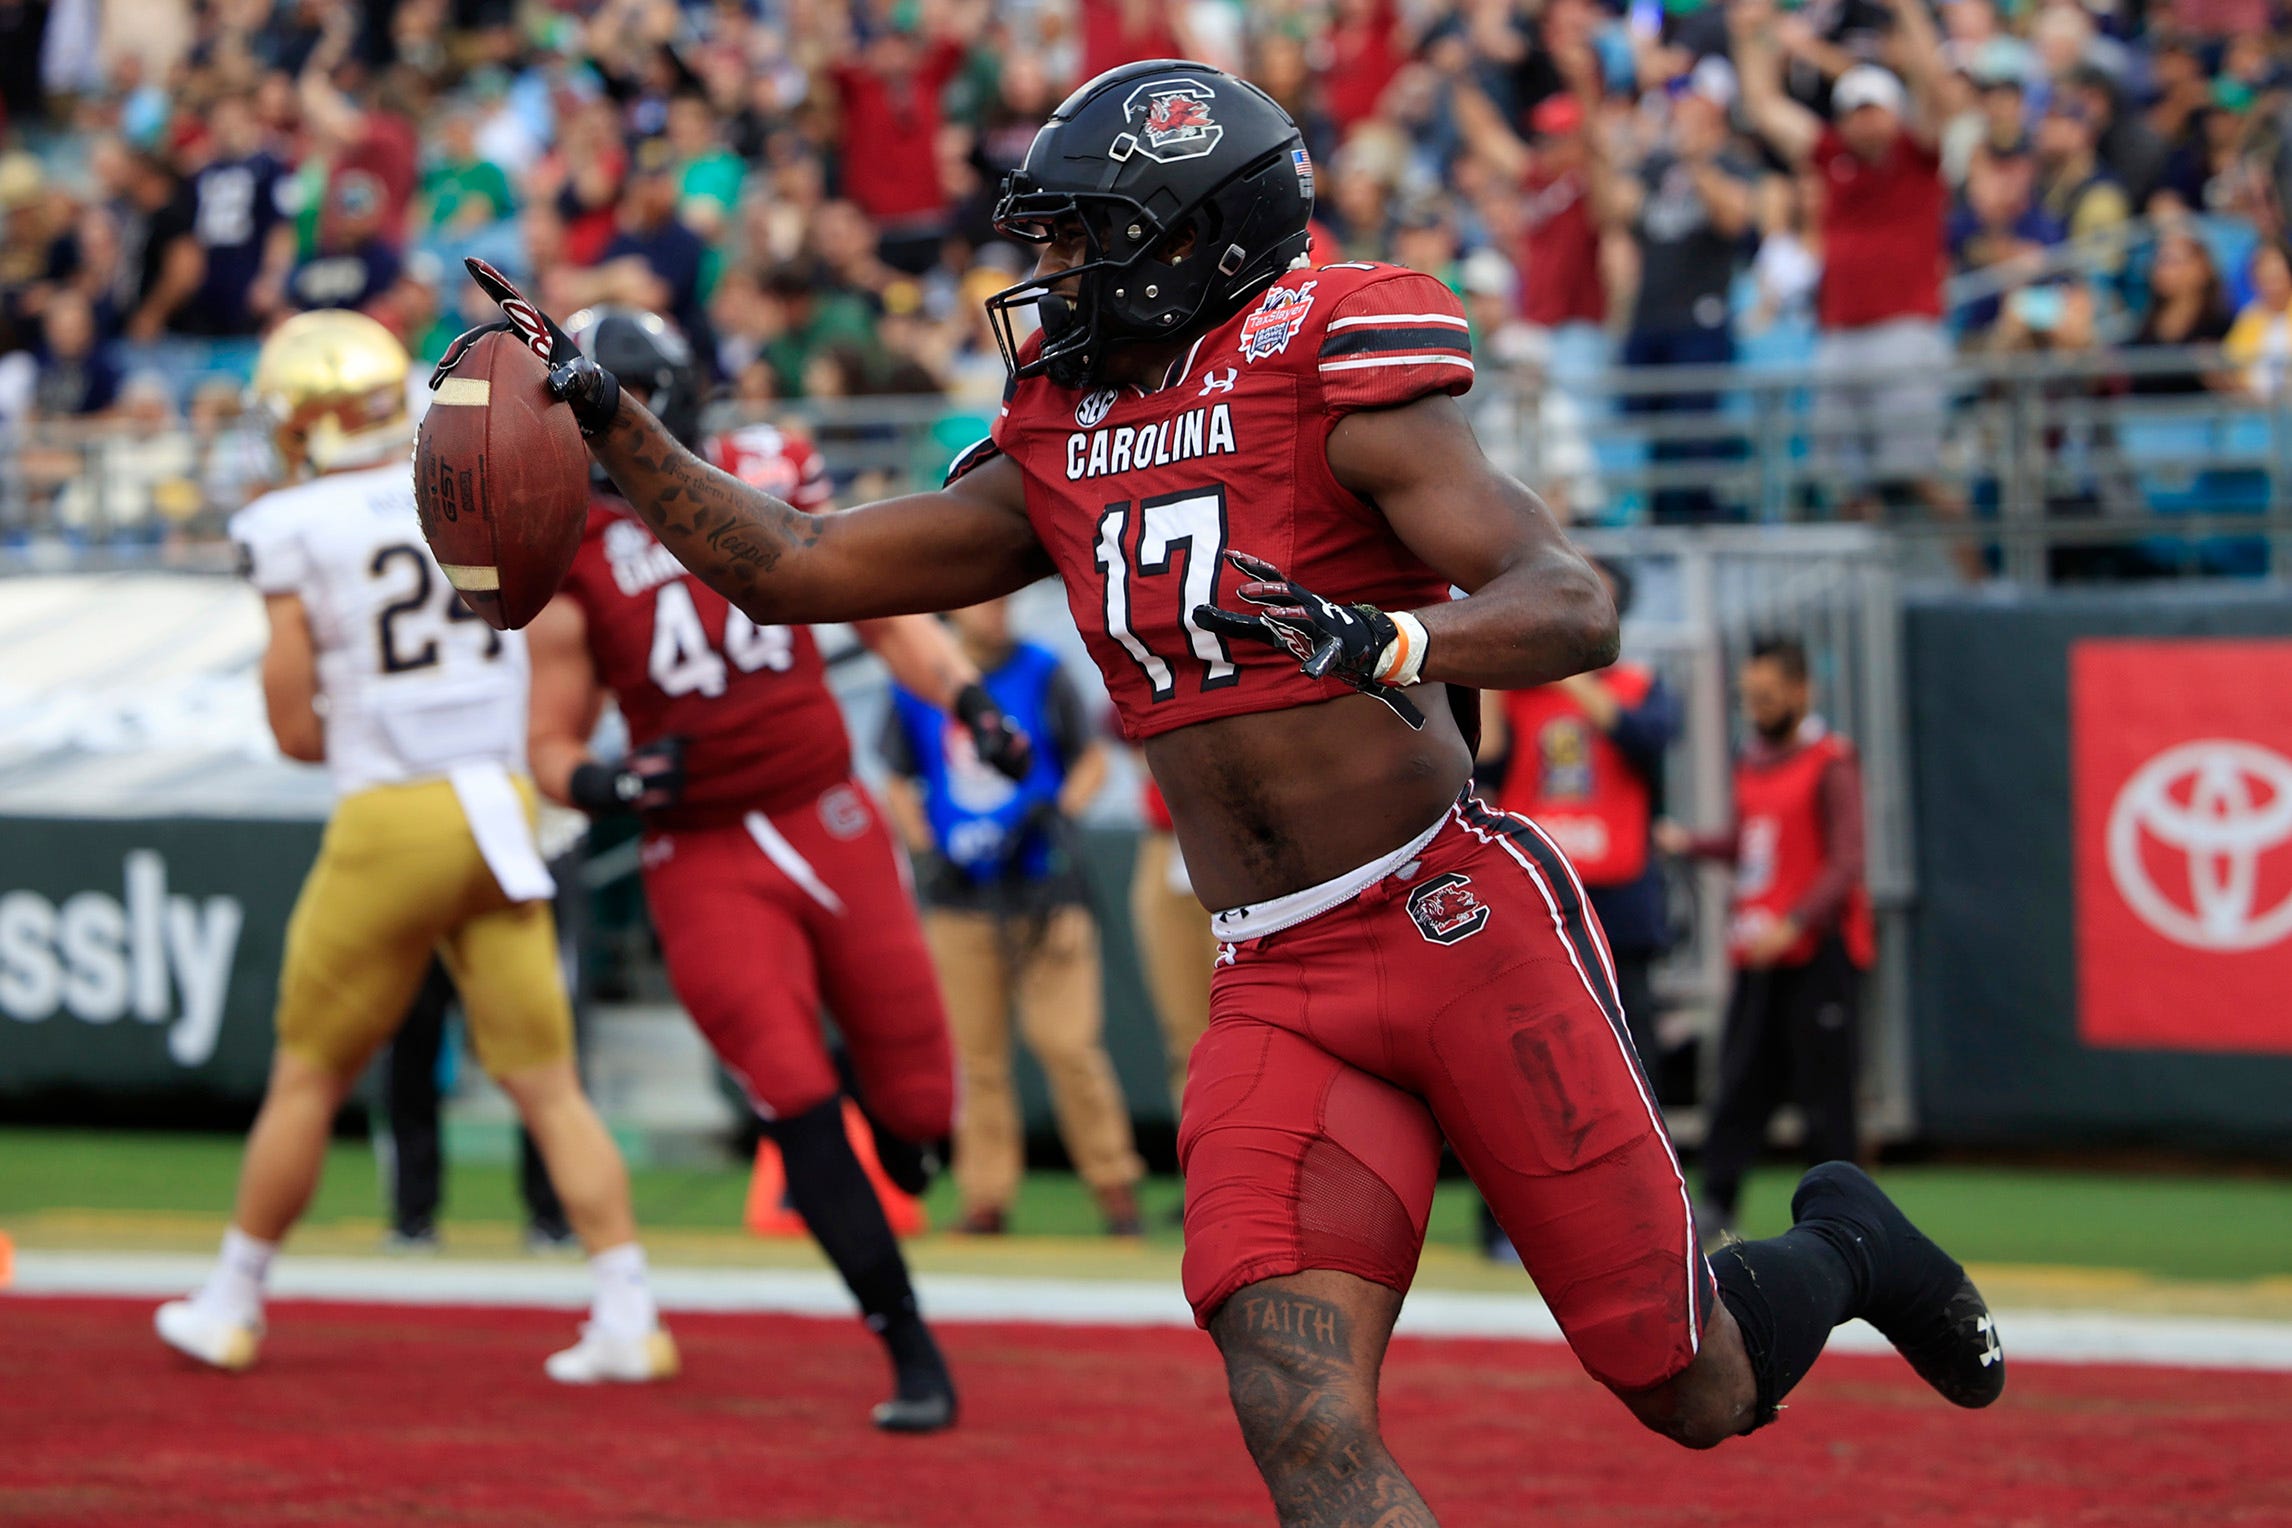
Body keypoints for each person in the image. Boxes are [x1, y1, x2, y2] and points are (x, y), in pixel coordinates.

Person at [451, 59, 2002, 1521]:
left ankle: (1842, 1243)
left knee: (1690, 1384)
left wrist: (1399, 632)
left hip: (1453, 914)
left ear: (1192, 240)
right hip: (1277, 967)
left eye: (1082, 239)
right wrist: (610, 419)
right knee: (1297, 1411)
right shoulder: (1061, 425)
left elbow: (1568, 599)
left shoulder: (1332, 352)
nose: (1051, 276)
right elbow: (799, 565)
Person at [522, 306, 1032, 1433]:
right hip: (697, 845)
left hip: (824, 808)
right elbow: (552, 744)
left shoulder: (761, 472)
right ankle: (907, 1345)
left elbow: (881, 610)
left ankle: (895, 1140)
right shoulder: (566, 554)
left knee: (917, 1106)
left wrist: (967, 701)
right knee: (793, 1094)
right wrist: (607, 787)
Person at [156, 311, 673, 1385]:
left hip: (394, 811)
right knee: (548, 1084)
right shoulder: (467, 479)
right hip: (502, 811)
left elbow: (295, 729)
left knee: (307, 1076)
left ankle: (233, 1297)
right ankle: (628, 1307)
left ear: (315, 416)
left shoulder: (293, 521)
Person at [880, 598, 1144, 1238]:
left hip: (1045, 890)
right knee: (975, 1058)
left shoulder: (1043, 670)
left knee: (1069, 1044)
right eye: (982, 602)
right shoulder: (918, 681)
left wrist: (1057, 815)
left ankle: (1114, 1189)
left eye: (1002, 600)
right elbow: (896, 776)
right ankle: (984, 1198)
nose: (996, 611)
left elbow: (1092, 759)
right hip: (961, 895)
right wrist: (924, 846)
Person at [1655, 637, 1875, 1243]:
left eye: (1768, 696)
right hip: (1757, 951)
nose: (1756, 708)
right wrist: (1691, 844)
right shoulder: (1751, 760)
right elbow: (1752, 846)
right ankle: (1716, 1208)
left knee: (1827, 1099)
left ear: (1802, 692)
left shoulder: (1831, 760)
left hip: (1816, 953)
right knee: (1738, 1086)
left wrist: (1796, 923)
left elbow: (1846, 860)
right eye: (1749, 697)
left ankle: (1843, 1221)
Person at [1479, 562, 1680, 1073]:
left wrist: (1572, 676)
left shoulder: (1639, 684)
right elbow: (1485, 759)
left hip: (1621, 883)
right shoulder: (1519, 691)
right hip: (1541, 883)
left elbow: (1649, 740)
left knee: (1630, 1024)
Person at [375, 958, 572, 1254]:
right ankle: (413, 1217)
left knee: (541, 1068)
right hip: (428, 926)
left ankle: (552, 1217)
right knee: (410, 1060)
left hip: (503, 917)